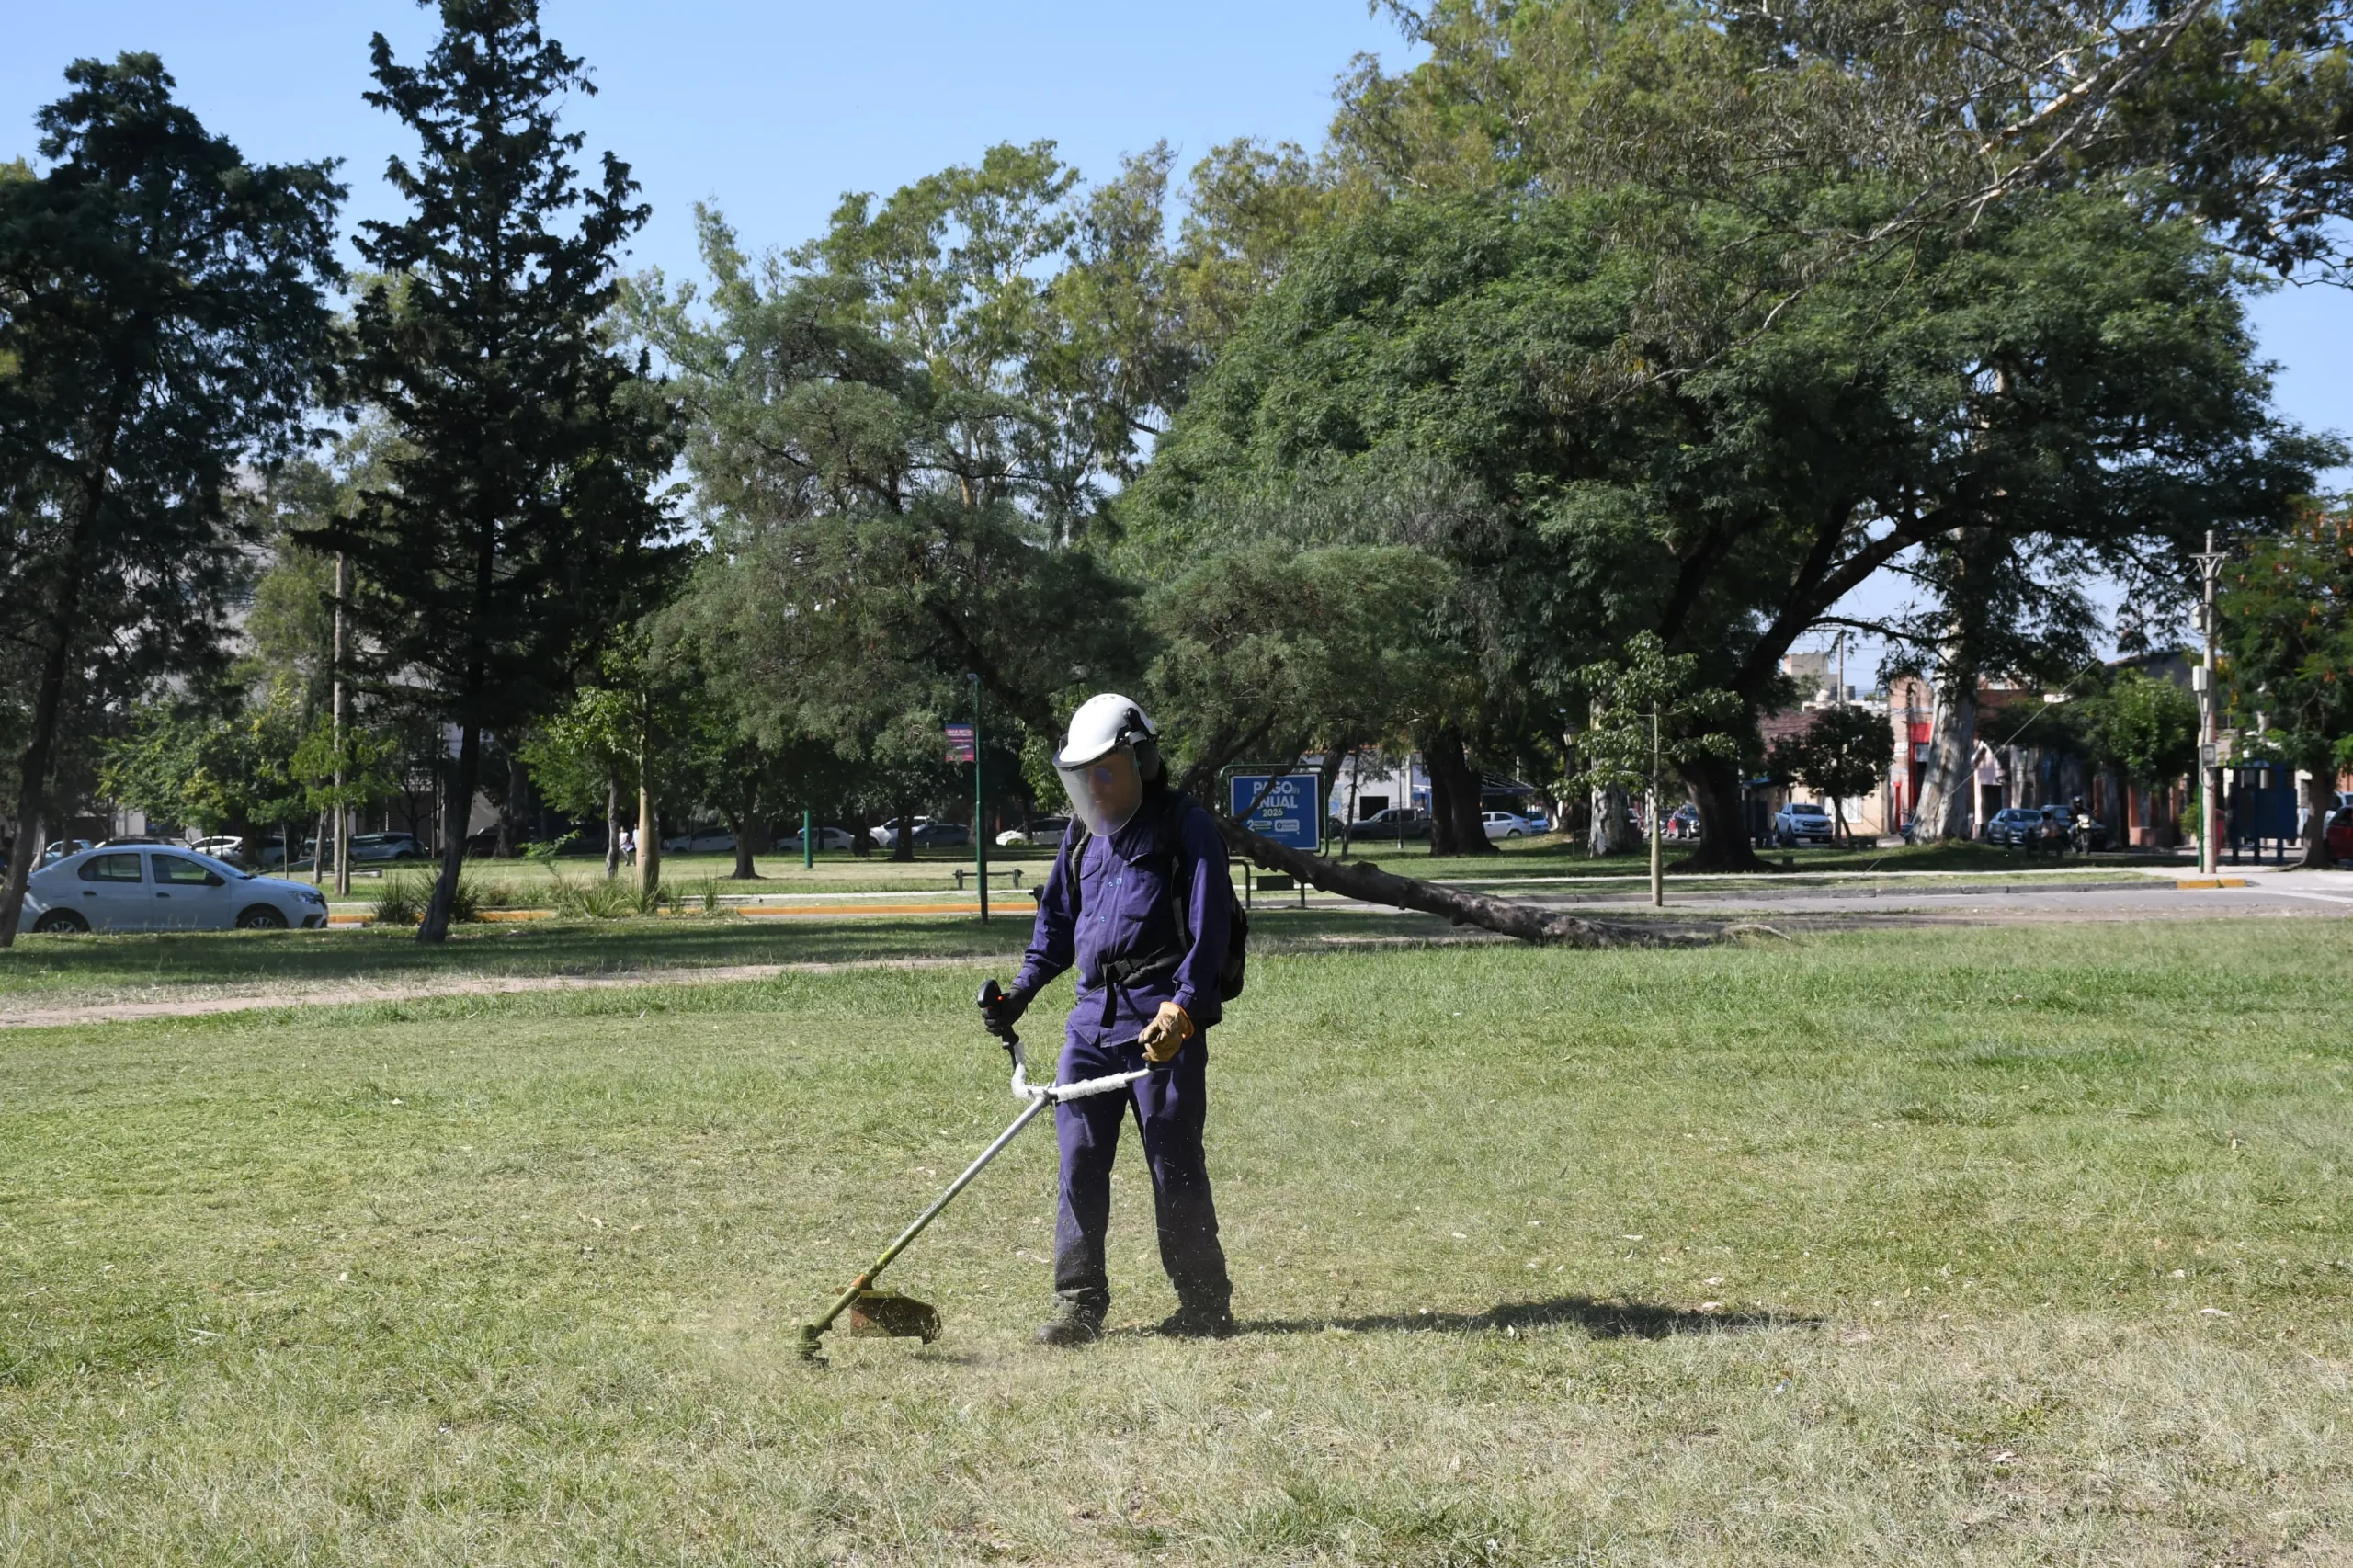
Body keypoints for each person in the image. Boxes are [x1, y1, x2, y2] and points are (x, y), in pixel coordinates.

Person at [982, 694, 1237, 1345]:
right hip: (1091, 1021)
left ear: (1140, 760)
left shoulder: (1187, 826)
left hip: (1162, 1019)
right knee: (1079, 1160)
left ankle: (1205, 1306)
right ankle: (1078, 1305)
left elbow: (1209, 933)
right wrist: (1019, 994)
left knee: (1172, 1160)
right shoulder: (1081, 836)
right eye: (1084, 774)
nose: (1094, 786)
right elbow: (1057, 929)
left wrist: (1181, 1008)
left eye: (1105, 770)